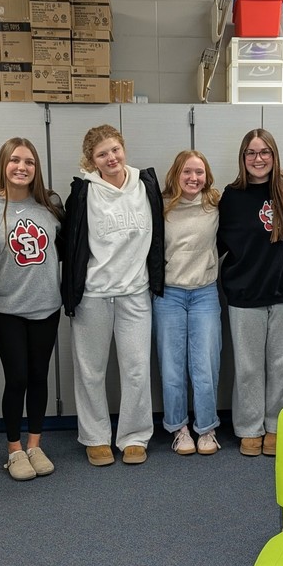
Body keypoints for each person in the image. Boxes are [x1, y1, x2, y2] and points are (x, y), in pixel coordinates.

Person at [62, 124, 164, 467]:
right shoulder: (83, 193)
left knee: (136, 369)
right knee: (90, 371)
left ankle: (134, 436)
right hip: (93, 295)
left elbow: (158, 236)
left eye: (115, 150)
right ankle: (95, 437)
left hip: (135, 293)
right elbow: (71, 246)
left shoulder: (145, 185)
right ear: (91, 160)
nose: (111, 158)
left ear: (123, 148)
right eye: (102, 154)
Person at [0, 138, 63, 480]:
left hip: (46, 305)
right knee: (18, 377)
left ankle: (35, 445)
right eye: (14, 160)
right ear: (3, 164)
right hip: (5, 308)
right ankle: (14, 449)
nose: (22, 167)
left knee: (39, 376)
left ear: (36, 168)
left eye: (29, 162)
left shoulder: (51, 204)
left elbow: (64, 249)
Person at [218, 129, 283, 457]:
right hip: (245, 293)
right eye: (251, 153)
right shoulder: (232, 195)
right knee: (249, 366)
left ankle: (277, 427)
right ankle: (249, 428)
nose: (258, 159)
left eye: (264, 152)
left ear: (274, 155)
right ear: (243, 158)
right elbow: (221, 243)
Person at [153, 150, 222, 456]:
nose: (194, 178)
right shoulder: (161, 205)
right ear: (176, 174)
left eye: (199, 172)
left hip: (205, 292)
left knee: (205, 365)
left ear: (207, 176)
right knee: (172, 367)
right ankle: (179, 429)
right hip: (169, 294)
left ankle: (206, 428)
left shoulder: (215, 203)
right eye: (187, 172)